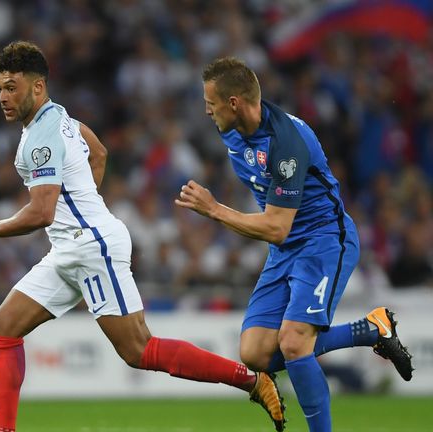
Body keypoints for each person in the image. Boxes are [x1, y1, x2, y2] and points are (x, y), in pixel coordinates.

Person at [0, 41, 285, 432]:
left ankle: (251, 380)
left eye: (11, 87)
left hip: (91, 246)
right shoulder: (60, 117)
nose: (2, 97)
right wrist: (84, 205)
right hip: (70, 246)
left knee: (139, 350)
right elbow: (98, 153)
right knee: (2, 328)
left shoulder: (39, 139)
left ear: (38, 87)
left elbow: (41, 212)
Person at [176, 56, 414, 432]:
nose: (207, 111)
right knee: (255, 352)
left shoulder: (287, 143)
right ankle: (371, 329)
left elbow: (277, 228)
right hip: (284, 250)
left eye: (211, 103)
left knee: (293, 343)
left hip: (323, 241)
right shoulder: (231, 128)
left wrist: (215, 210)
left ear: (235, 102)